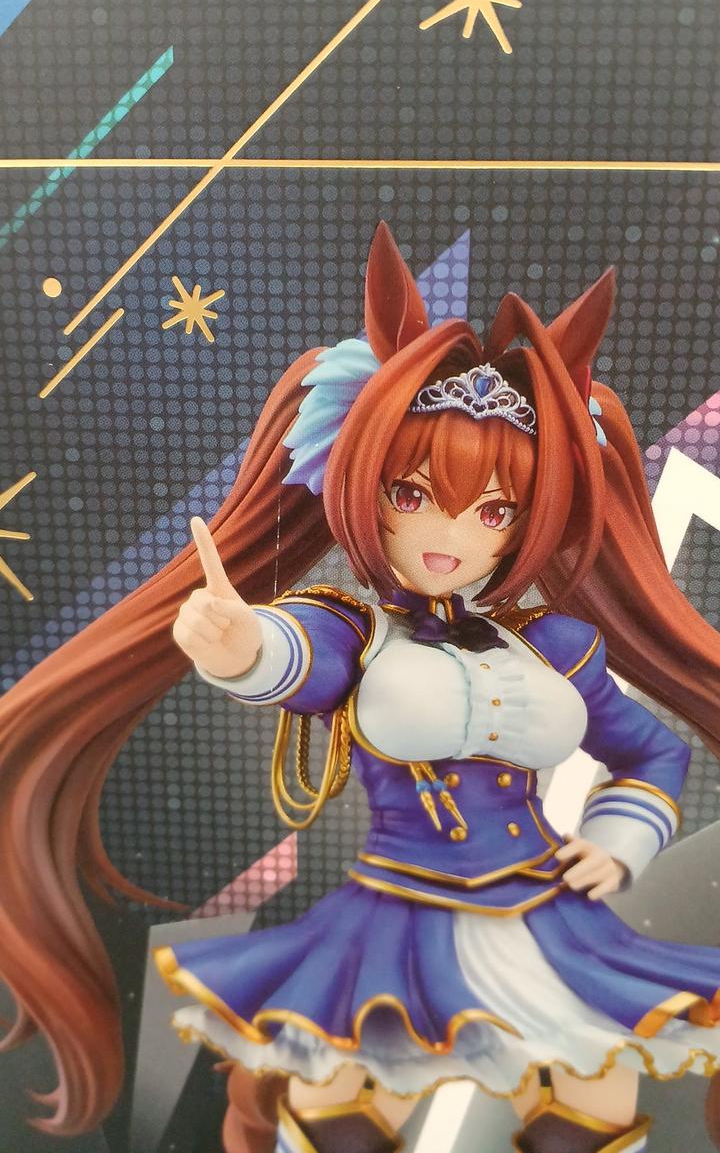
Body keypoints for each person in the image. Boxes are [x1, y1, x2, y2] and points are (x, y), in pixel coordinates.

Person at [1, 222, 719, 1153]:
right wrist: (237, 645)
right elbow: (297, 657)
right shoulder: (355, 628)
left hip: (548, 914)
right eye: (412, 494)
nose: (450, 536)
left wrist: (618, 844)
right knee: (340, 1110)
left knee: (598, 1102)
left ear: (531, 520)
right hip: (398, 916)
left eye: (493, 510)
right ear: (364, 484)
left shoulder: (559, 645)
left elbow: (649, 750)